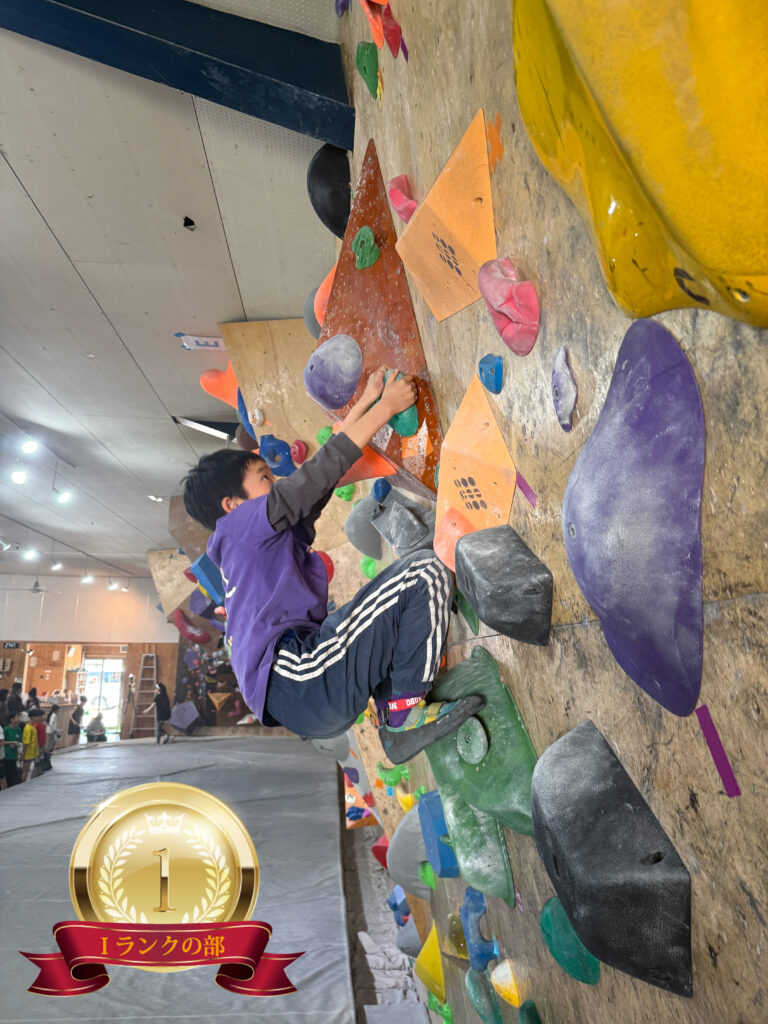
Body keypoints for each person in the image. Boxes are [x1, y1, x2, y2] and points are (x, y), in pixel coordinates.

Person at [182, 367, 483, 764]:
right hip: (298, 679)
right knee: (425, 573)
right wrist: (385, 408)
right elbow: (312, 479)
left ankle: (395, 705)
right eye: (265, 478)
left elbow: (319, 483)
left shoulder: (252, 547)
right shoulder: (237, 528)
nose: (277, 483)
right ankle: (404, 714)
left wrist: (368, 402)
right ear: (233, 505)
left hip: (303, 694)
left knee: (392, 613)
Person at [3, 710, 23, 787]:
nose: (19, 719)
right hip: (6, 756)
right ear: (12, 719)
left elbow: (20, 741)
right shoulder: (6, 730)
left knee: (13, 774)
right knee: (6, 774)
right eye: (17, 717)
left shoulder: (18, 730)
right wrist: (11, 743)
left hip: (14, 755)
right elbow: (2, 742)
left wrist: (20, 753)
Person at [29, 708, 49, 774]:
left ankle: (39, 773)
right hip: (37, 746)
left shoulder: (43, 725)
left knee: (41, 760)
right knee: (38, 762)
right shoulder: (36, 726)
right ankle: (35, 775)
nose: (45, 717)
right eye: (42, 716)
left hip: (42, 745)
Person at [21, 714, 39, 781]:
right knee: (25, 770)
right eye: (37, 717)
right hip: (27, 752)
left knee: (27, 769)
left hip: (31, 752)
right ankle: (22, 783)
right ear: (32, 717)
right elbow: (26, 742)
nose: (38, 718)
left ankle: (24, 781)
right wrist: (23, 753)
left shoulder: (32, 727)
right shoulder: (28, 728)